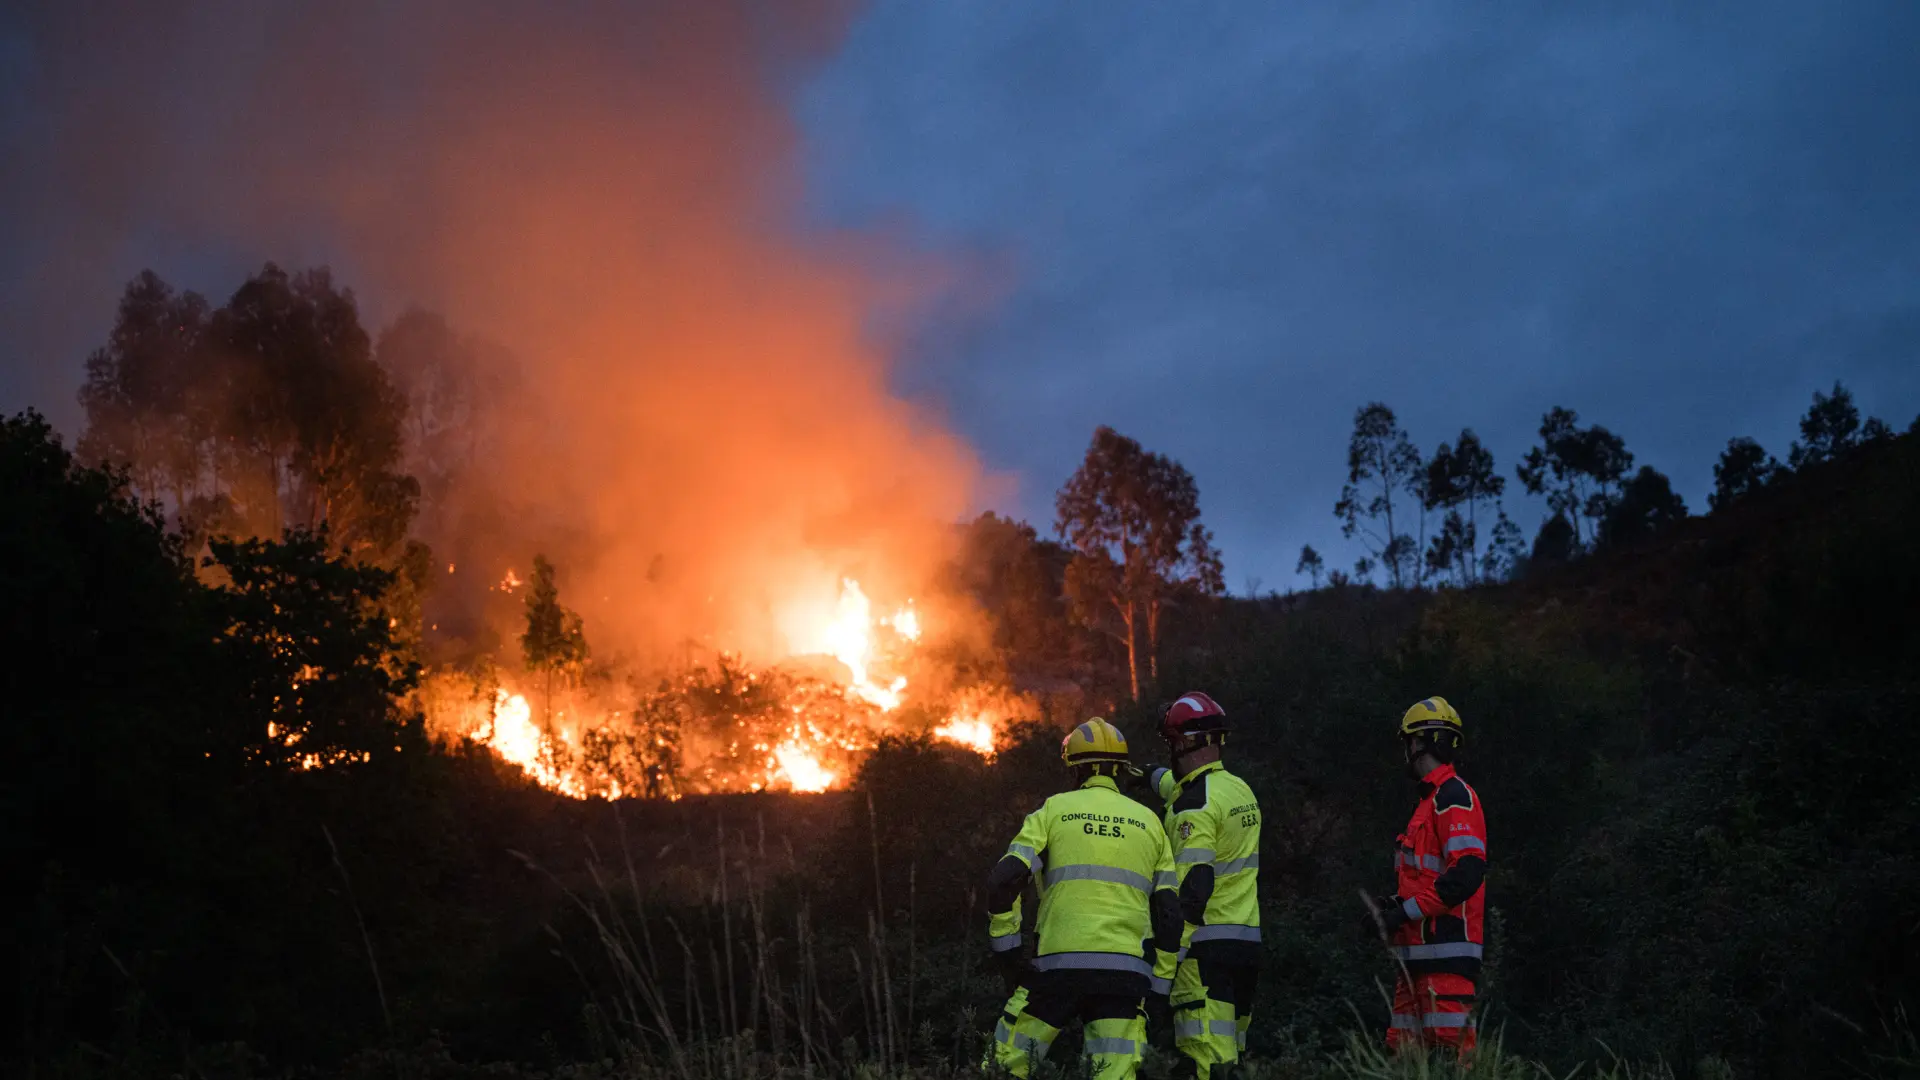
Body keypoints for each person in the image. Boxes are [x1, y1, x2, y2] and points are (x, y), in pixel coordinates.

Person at [983, 717, 1182, 1079]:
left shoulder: (1053, 810)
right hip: (1125, 977)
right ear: (1122, 770)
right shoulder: (1150, 822)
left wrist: (1009, 958)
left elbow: (1004, 880)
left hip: (1055, 973)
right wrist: (1158, 989)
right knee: (1114, 1075)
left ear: (1074, 768)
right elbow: (1170, 914)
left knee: (1002, 1070)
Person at [1364, 697, 1488, 1056]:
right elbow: (1426, 880)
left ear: (1418, 742)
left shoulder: (1453, 796)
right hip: (1415, 962)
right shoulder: (1428, 804)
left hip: (1445, 959)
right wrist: (1389, 909)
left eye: (1408, 742)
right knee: (1400, 1062)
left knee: (1452, 1062)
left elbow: (1465, 875)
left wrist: (1402, 913)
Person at [1148, 692, 1262, 1080]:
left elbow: (1195, 890)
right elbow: (1187, 791)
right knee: (1233, 1060)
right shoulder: (1238, 790)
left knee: (1205, 1063)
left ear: (1184, 744)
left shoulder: (1191, 807)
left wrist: (1166, 965)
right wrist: (1147, 776)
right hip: (1245, 946)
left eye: (1172, 744)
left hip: (1203, 955)